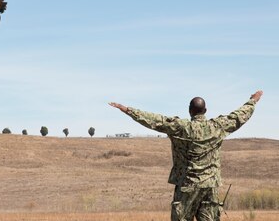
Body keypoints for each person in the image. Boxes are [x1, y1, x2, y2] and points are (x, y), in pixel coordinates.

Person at [109, 90, 263, 221]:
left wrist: (127, 109)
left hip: (187, 186)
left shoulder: (179, 127)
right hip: (210, 187)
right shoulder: (218, 126)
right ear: (205, 111)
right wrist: (253, 100)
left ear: (190, 111)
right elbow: (238, 116)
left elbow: (154, 120)